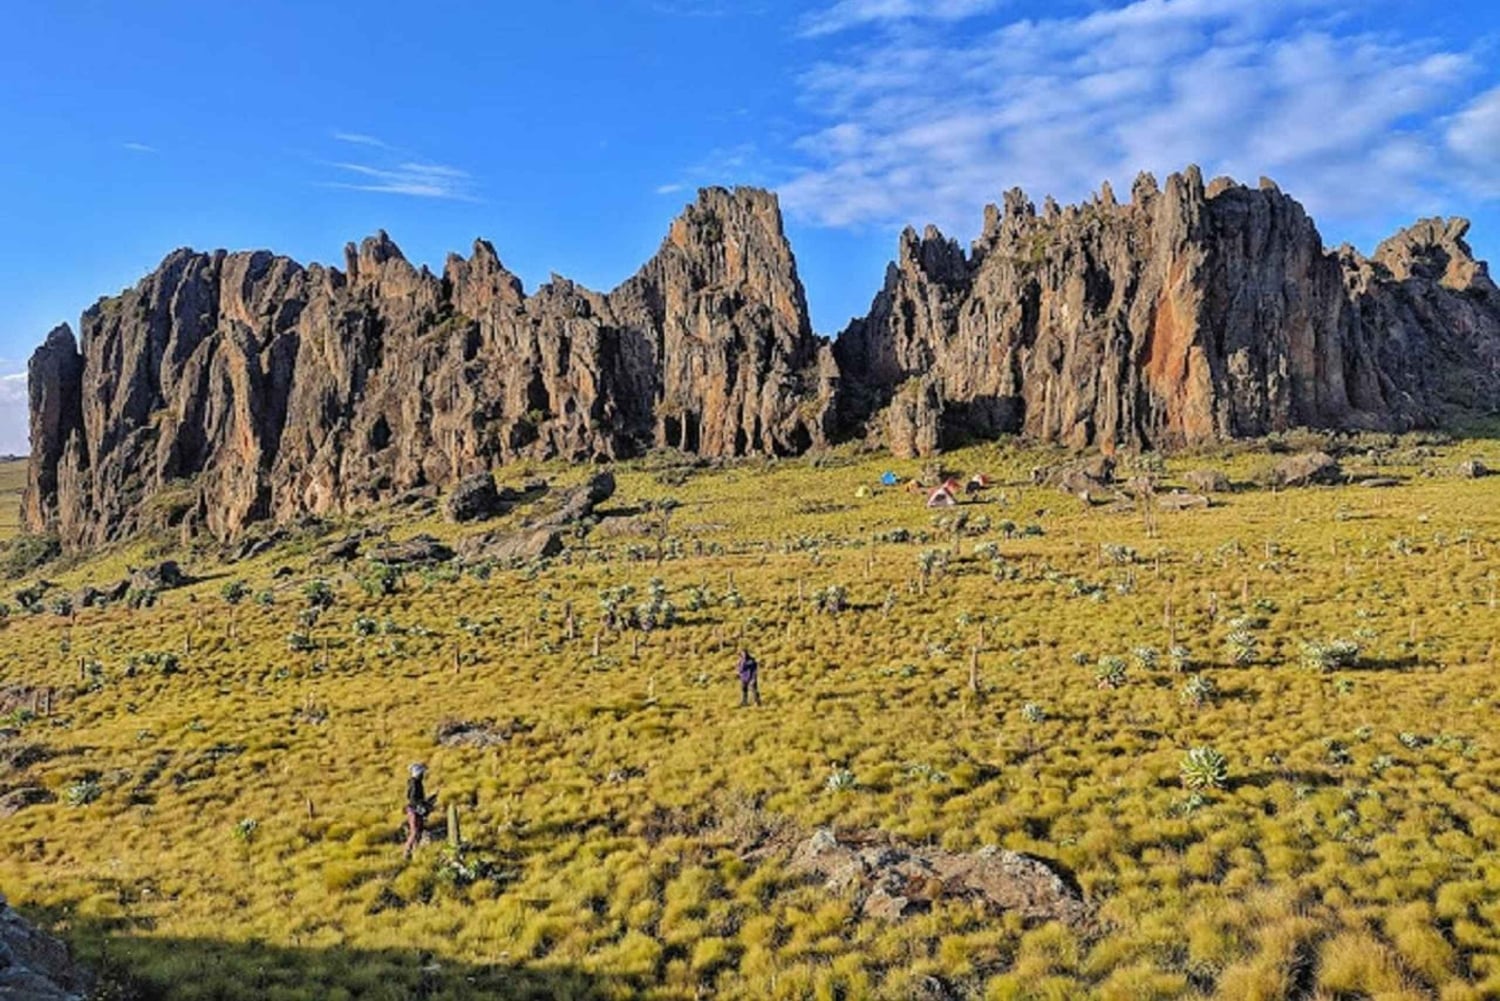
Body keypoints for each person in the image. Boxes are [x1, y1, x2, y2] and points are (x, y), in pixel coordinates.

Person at [403, 762, 435, 858]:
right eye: (422, 773)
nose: (423, 775)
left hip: (415, 810)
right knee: (415, 831)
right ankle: (407, 852)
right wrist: (422, 806)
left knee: (418, 831)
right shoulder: (415, 784)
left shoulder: (415, 783)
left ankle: (414, 851)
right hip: (414, 810)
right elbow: (413, 799)